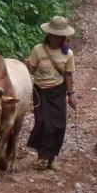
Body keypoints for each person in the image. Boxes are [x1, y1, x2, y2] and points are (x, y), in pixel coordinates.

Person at [26, 15, 77, 171]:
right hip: (40, 90)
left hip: (58, 90)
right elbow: (31, 70)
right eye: (54, 33)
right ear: (49, 34)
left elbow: (68, 75)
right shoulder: (38, 50)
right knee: (42, 123)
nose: (56, 37)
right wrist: (27, 67)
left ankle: (52, 157)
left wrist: (71, 95)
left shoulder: (68, 54)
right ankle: (42, 156)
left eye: (59, 34)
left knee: (58, 125)